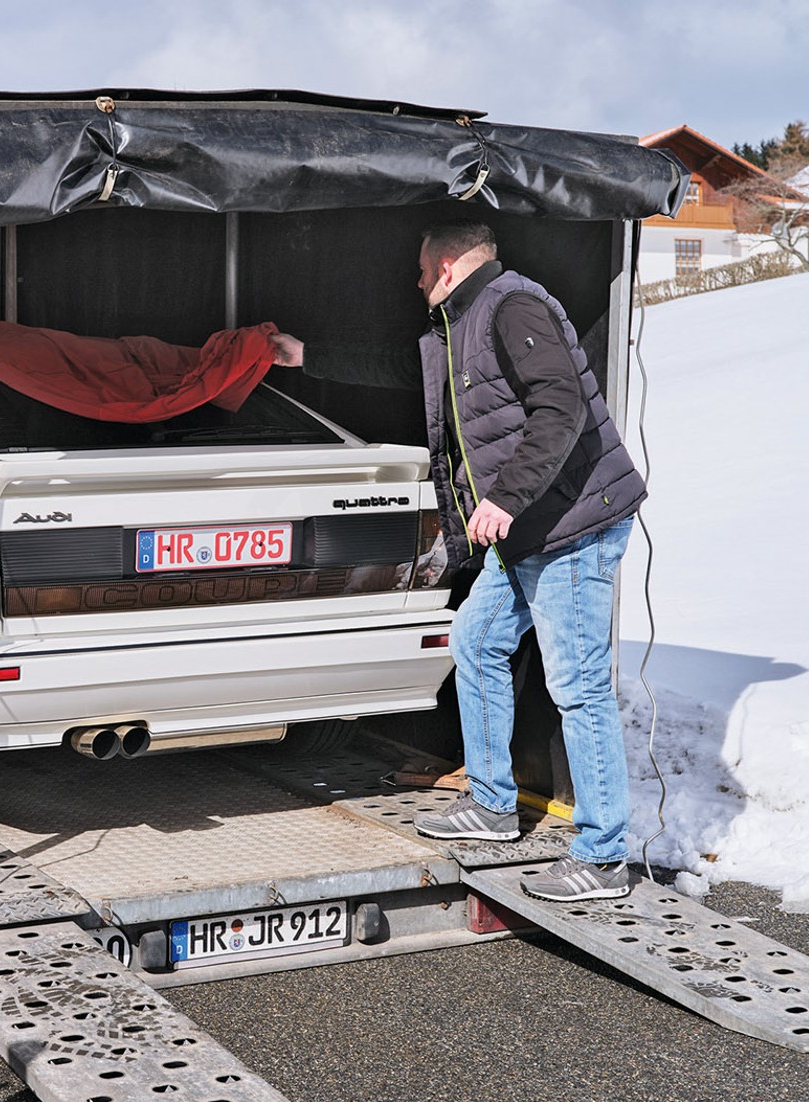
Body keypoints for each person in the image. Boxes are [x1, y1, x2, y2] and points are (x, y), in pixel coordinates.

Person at [270, 221, 646, 902]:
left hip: (572, 527)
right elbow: (397, 367)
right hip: (528, 533)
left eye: (419, 273)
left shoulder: (512, 305)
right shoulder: (460, 323)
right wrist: (305, 356)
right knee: (475, 640)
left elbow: (558, 409)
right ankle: (494, 804)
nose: (416, 286)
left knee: (578, 687)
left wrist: (505, 496)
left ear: (445, 266)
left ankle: (604, 856)